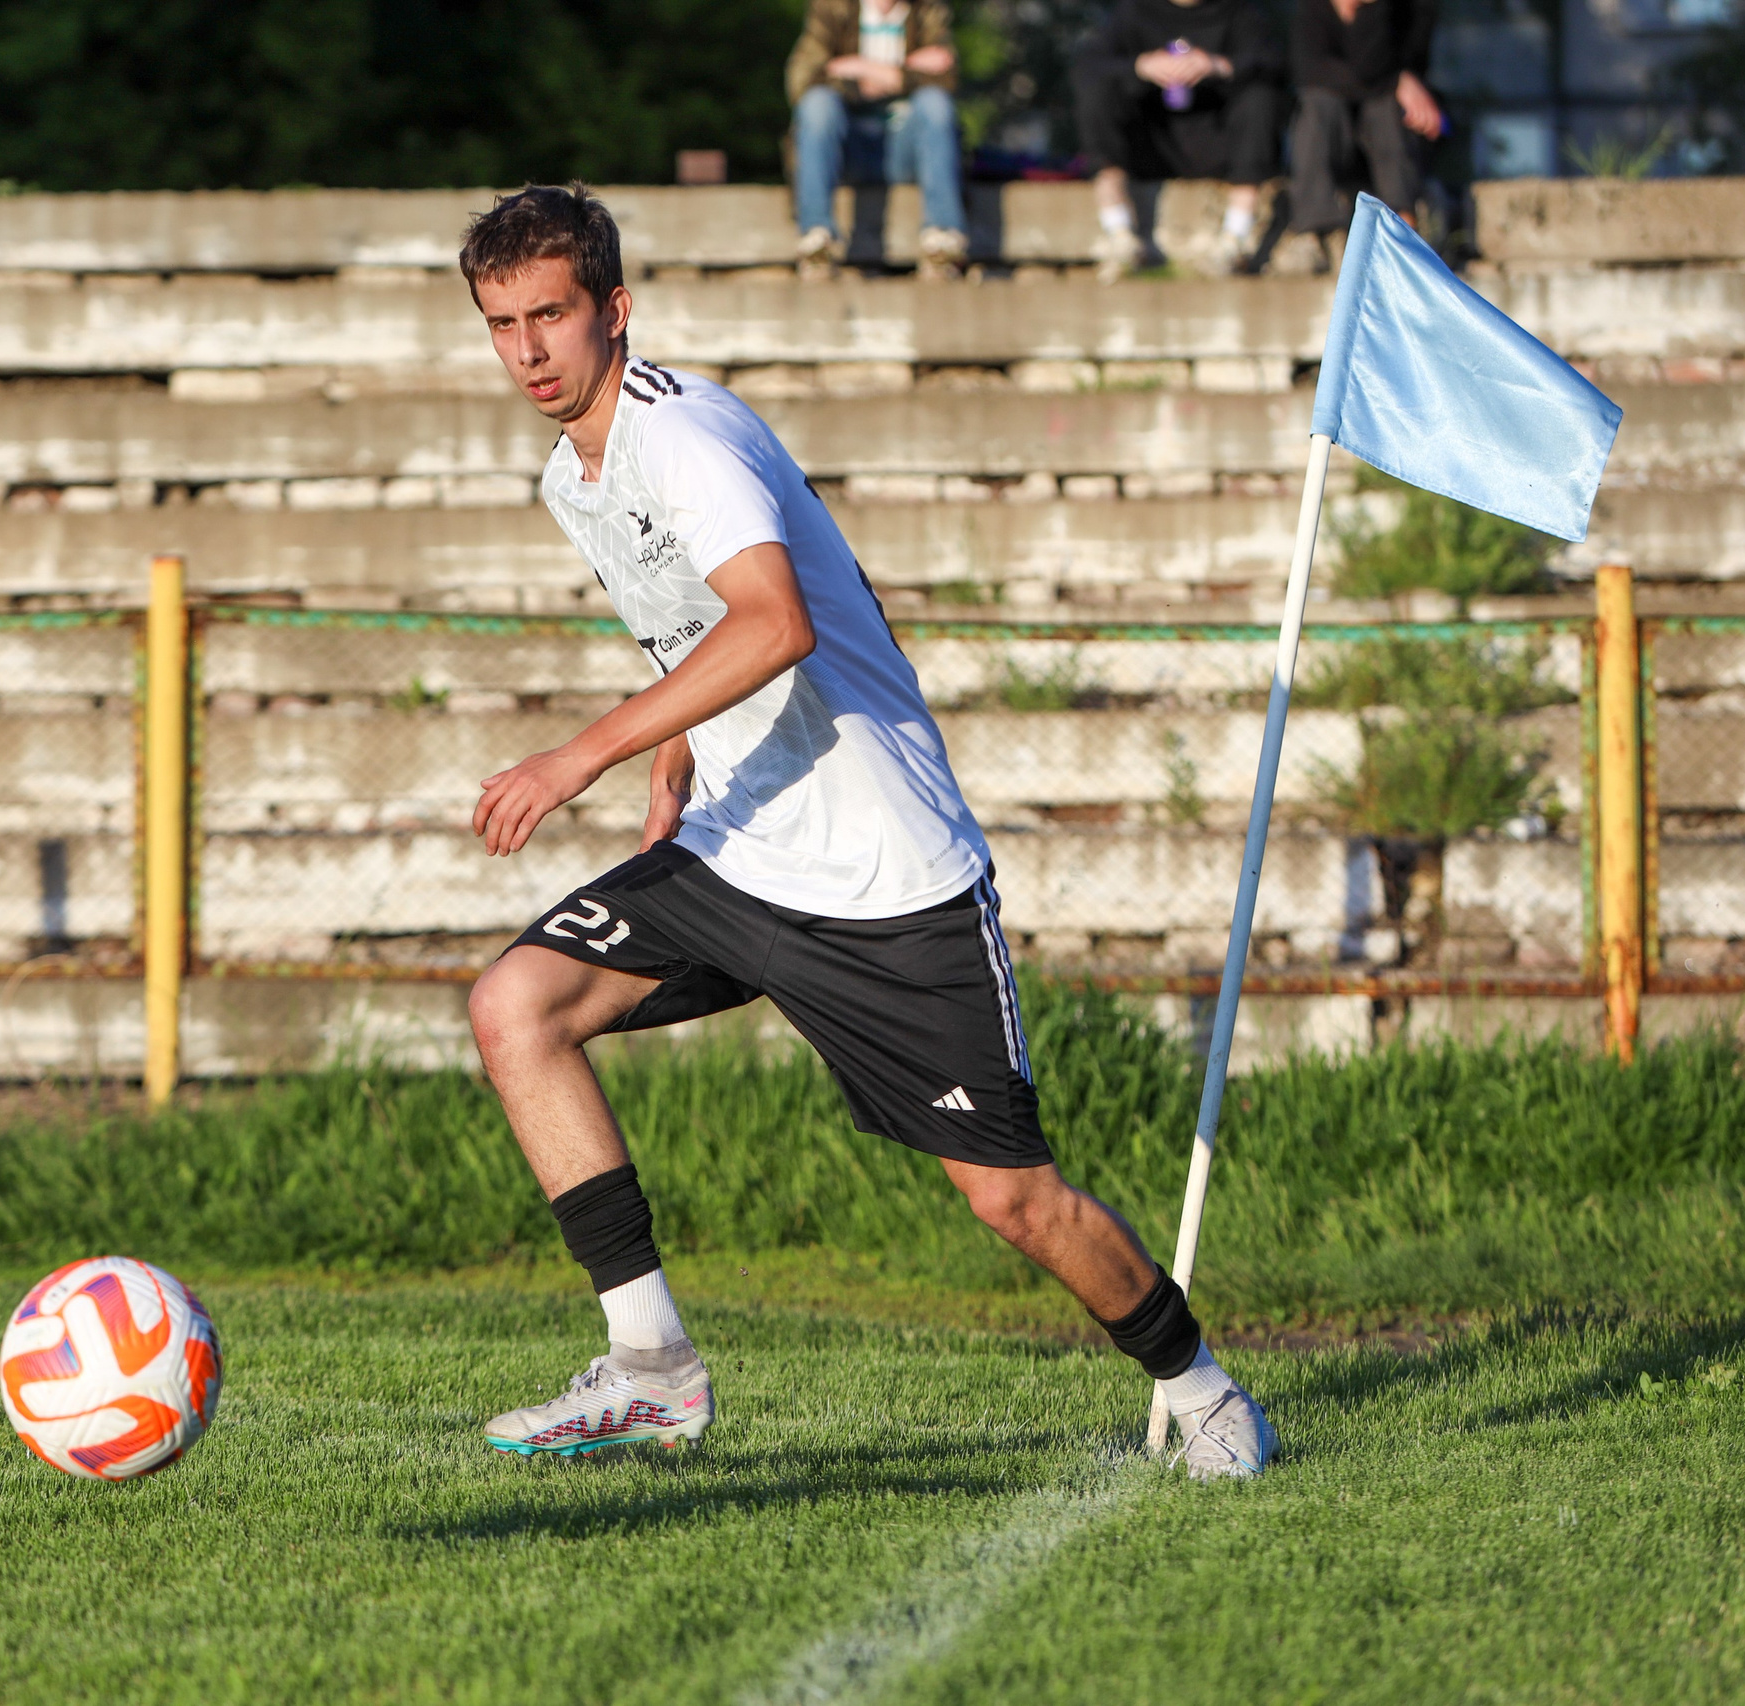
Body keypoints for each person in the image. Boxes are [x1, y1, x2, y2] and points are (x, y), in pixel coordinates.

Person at [451, 183, 1278, 1480]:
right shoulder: (575, 473)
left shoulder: (688, 437)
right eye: (501, 323)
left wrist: (583, 753)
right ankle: (652, 1365)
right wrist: (674, 755)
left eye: (549, 314)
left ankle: (1203, 1385)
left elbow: (780, 620)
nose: (526, 351)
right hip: (736, 848)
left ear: (615, 310)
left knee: (1012, 1196)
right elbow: (694, 618)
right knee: (517, 1007)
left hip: (887, 878)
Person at [1073, 0, 1284, 279]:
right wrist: (1141, 66)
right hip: (1151, 143)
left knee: (1260, 98)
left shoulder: (1240, 11)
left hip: (1219, 144)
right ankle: (1119, 232)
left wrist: (1218, 66)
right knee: (1097, 91)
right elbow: (1087, 64)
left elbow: (1278, 64)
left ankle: (1236, 238)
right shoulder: (1134, 11)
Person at [785, 0, 971, 278]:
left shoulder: (927, 10)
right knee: (817, 105)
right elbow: (801, 81)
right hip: (848, 149)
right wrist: (904, 73)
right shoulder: (833, 9)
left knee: (934, 103)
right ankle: (816, 239)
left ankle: (943, 240)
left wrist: (862, 68)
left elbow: (947, 79)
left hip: (905, 150)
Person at [1282, 0, 1444, 273]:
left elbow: (1373, 65)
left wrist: (1372, 11)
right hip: (1335, 135)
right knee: (1318, 106)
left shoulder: (1412, 10)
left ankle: (1403, 228)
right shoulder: (1313, 10)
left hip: (1390, 135)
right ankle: (1317, 234)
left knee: (1385, 108)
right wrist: (1396, 81)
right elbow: (1309, 72)